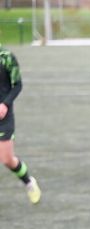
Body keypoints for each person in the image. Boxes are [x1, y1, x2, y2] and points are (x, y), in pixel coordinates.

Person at [0, 44, 40, 204]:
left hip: (3, 116)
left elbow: (17, 85)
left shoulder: (6, 57)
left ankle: (29, 182)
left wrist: (5, 104)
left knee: (8, 160)